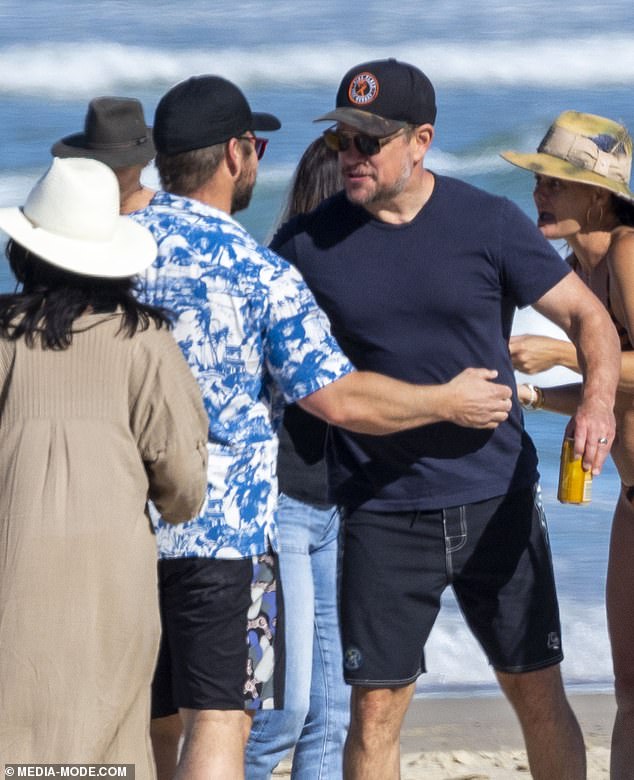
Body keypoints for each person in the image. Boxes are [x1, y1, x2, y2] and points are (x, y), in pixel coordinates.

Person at [132, 74, 515, 780]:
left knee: (147, 723)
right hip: (232, 536)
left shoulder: (107, 253)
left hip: (118, 525)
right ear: (235, 155)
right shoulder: (261, 272)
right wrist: (445, 401)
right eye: (257, 146)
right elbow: (336, 399)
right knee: (222, 719)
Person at [269, 59, 622, 780]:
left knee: (536, 692)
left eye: (371, 140)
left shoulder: (486, 222)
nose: (353, 156)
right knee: (375, 713)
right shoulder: (309, 245)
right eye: (343, 140)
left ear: (421, 140)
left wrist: (594, 401)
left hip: (496, 497)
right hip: (381, 508)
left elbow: (591, 320)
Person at [0, 157, 208, 774]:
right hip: (110, 578)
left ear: (27, 250)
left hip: (10, 564)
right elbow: (185, 485)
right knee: (106, 742)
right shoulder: (145, 342)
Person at [502, 110, 634, 780]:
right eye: (540, 179)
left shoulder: (628, 253)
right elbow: (613, 394)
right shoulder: (575, 271)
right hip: (630, 502)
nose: (540, 193)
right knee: (627, 691)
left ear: (600, 195)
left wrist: (567, 350)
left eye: (557, 181)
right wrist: (533, 398)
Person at [245, 138, 348, 779]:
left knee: (331, 718)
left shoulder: (368, 275)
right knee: (283, 713)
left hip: (342, 503)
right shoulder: (285, 270)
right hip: (283, 502)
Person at [52, 96, 156, 213]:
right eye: (97, 164)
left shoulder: (167, 217)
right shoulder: (65, 211)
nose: (106, 173)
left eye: (120, 166)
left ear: (144, 161)